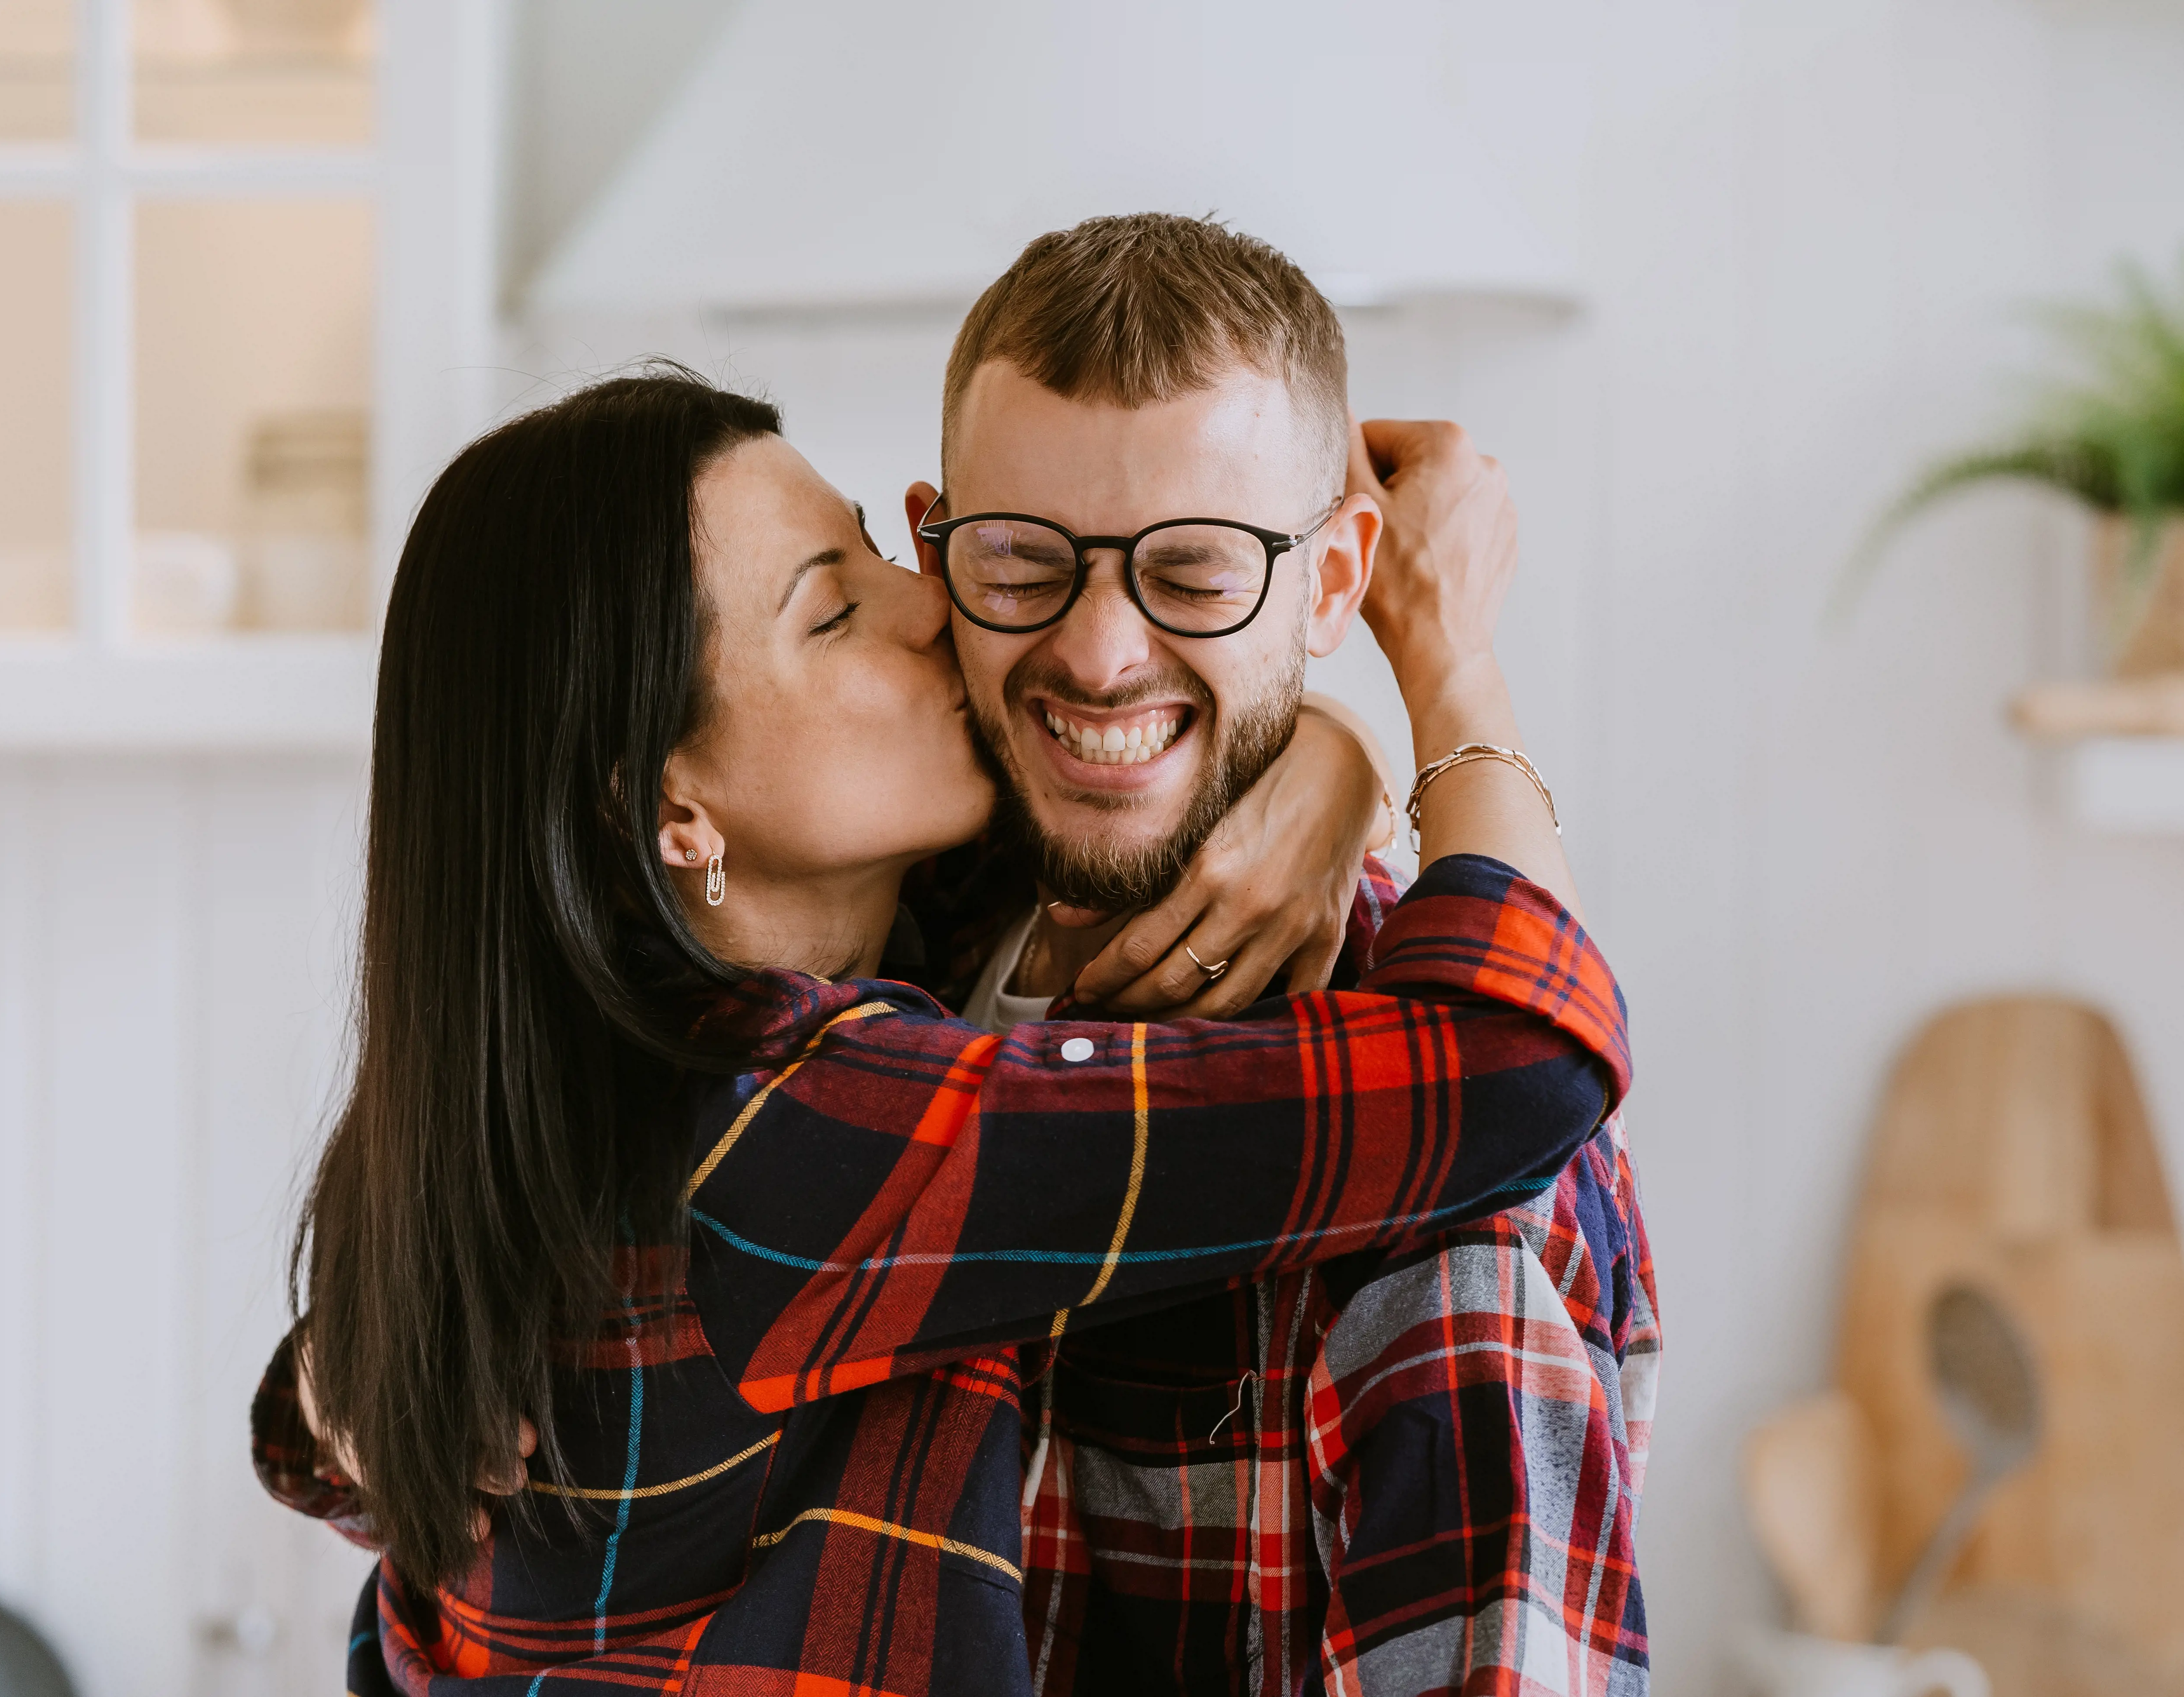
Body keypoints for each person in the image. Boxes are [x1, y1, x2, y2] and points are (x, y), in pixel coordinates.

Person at [252, 363, 1628, 1694]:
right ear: (666, 811)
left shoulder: (562, 1093)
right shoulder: (794, 1133)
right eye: (832, 613)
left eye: (877, 551)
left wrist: (1320, 753)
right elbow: (1514, 1064)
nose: (928, 611)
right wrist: (1446, 666)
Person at [901, 215, 1658, 1695]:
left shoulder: (1441, 1172)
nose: (1103, 653)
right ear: (938, 551)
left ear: (1330, 583)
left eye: (1193, 577)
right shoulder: (875, 941)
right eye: (1023, 559)